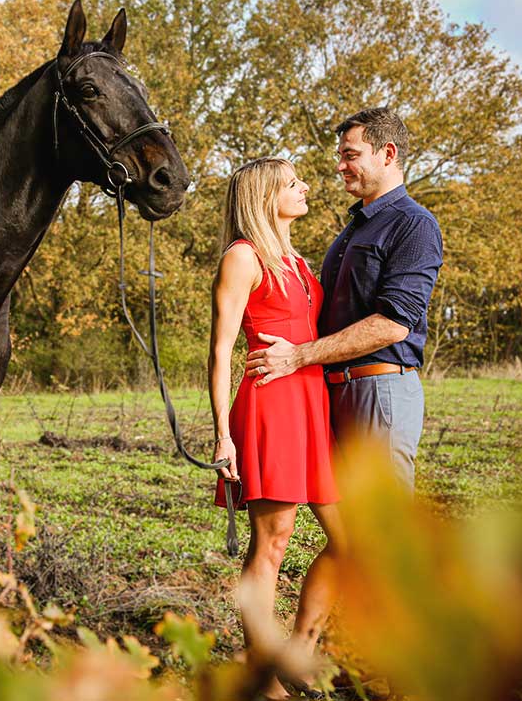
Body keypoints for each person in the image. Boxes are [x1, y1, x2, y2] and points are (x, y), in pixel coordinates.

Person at [244, 107, 443, 492]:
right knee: (349, 536)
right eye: (340, 156)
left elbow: (392, 324)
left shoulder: (413, 224)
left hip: (378, 391)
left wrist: (299, 356)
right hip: (336, 391)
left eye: (350, 155)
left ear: (388, 154)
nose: (340, 166)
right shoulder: (356, 227)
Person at [209, 158, 345, 699]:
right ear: (266, 195)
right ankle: (261, 674)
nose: (305, 187)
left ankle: (297, 650)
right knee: (272, 544)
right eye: (293, 183)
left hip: (311, 402)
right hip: (270, 405)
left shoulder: (296, 258)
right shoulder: (243, 257)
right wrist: (223, 433)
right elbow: (221, 352)